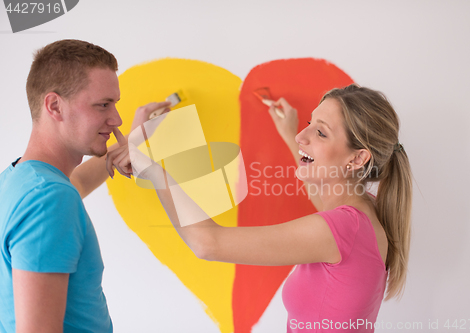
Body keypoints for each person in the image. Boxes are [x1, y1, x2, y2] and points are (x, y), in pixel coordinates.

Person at [108, 84, 412, 332]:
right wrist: (290, 136)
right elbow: (324, 197)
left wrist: (151, 168)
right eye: (309, 123)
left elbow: (208, 244)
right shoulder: (363, 212)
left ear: (357, 159)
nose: (301, 136)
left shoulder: (342, 228)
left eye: (320, 133)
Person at [0, 39, 170, 333]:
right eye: (103, 105)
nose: (115, 118)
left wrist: (132, 141)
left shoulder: (20, 180)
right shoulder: (50, 200)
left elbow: (74, 182)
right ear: (55, 106)